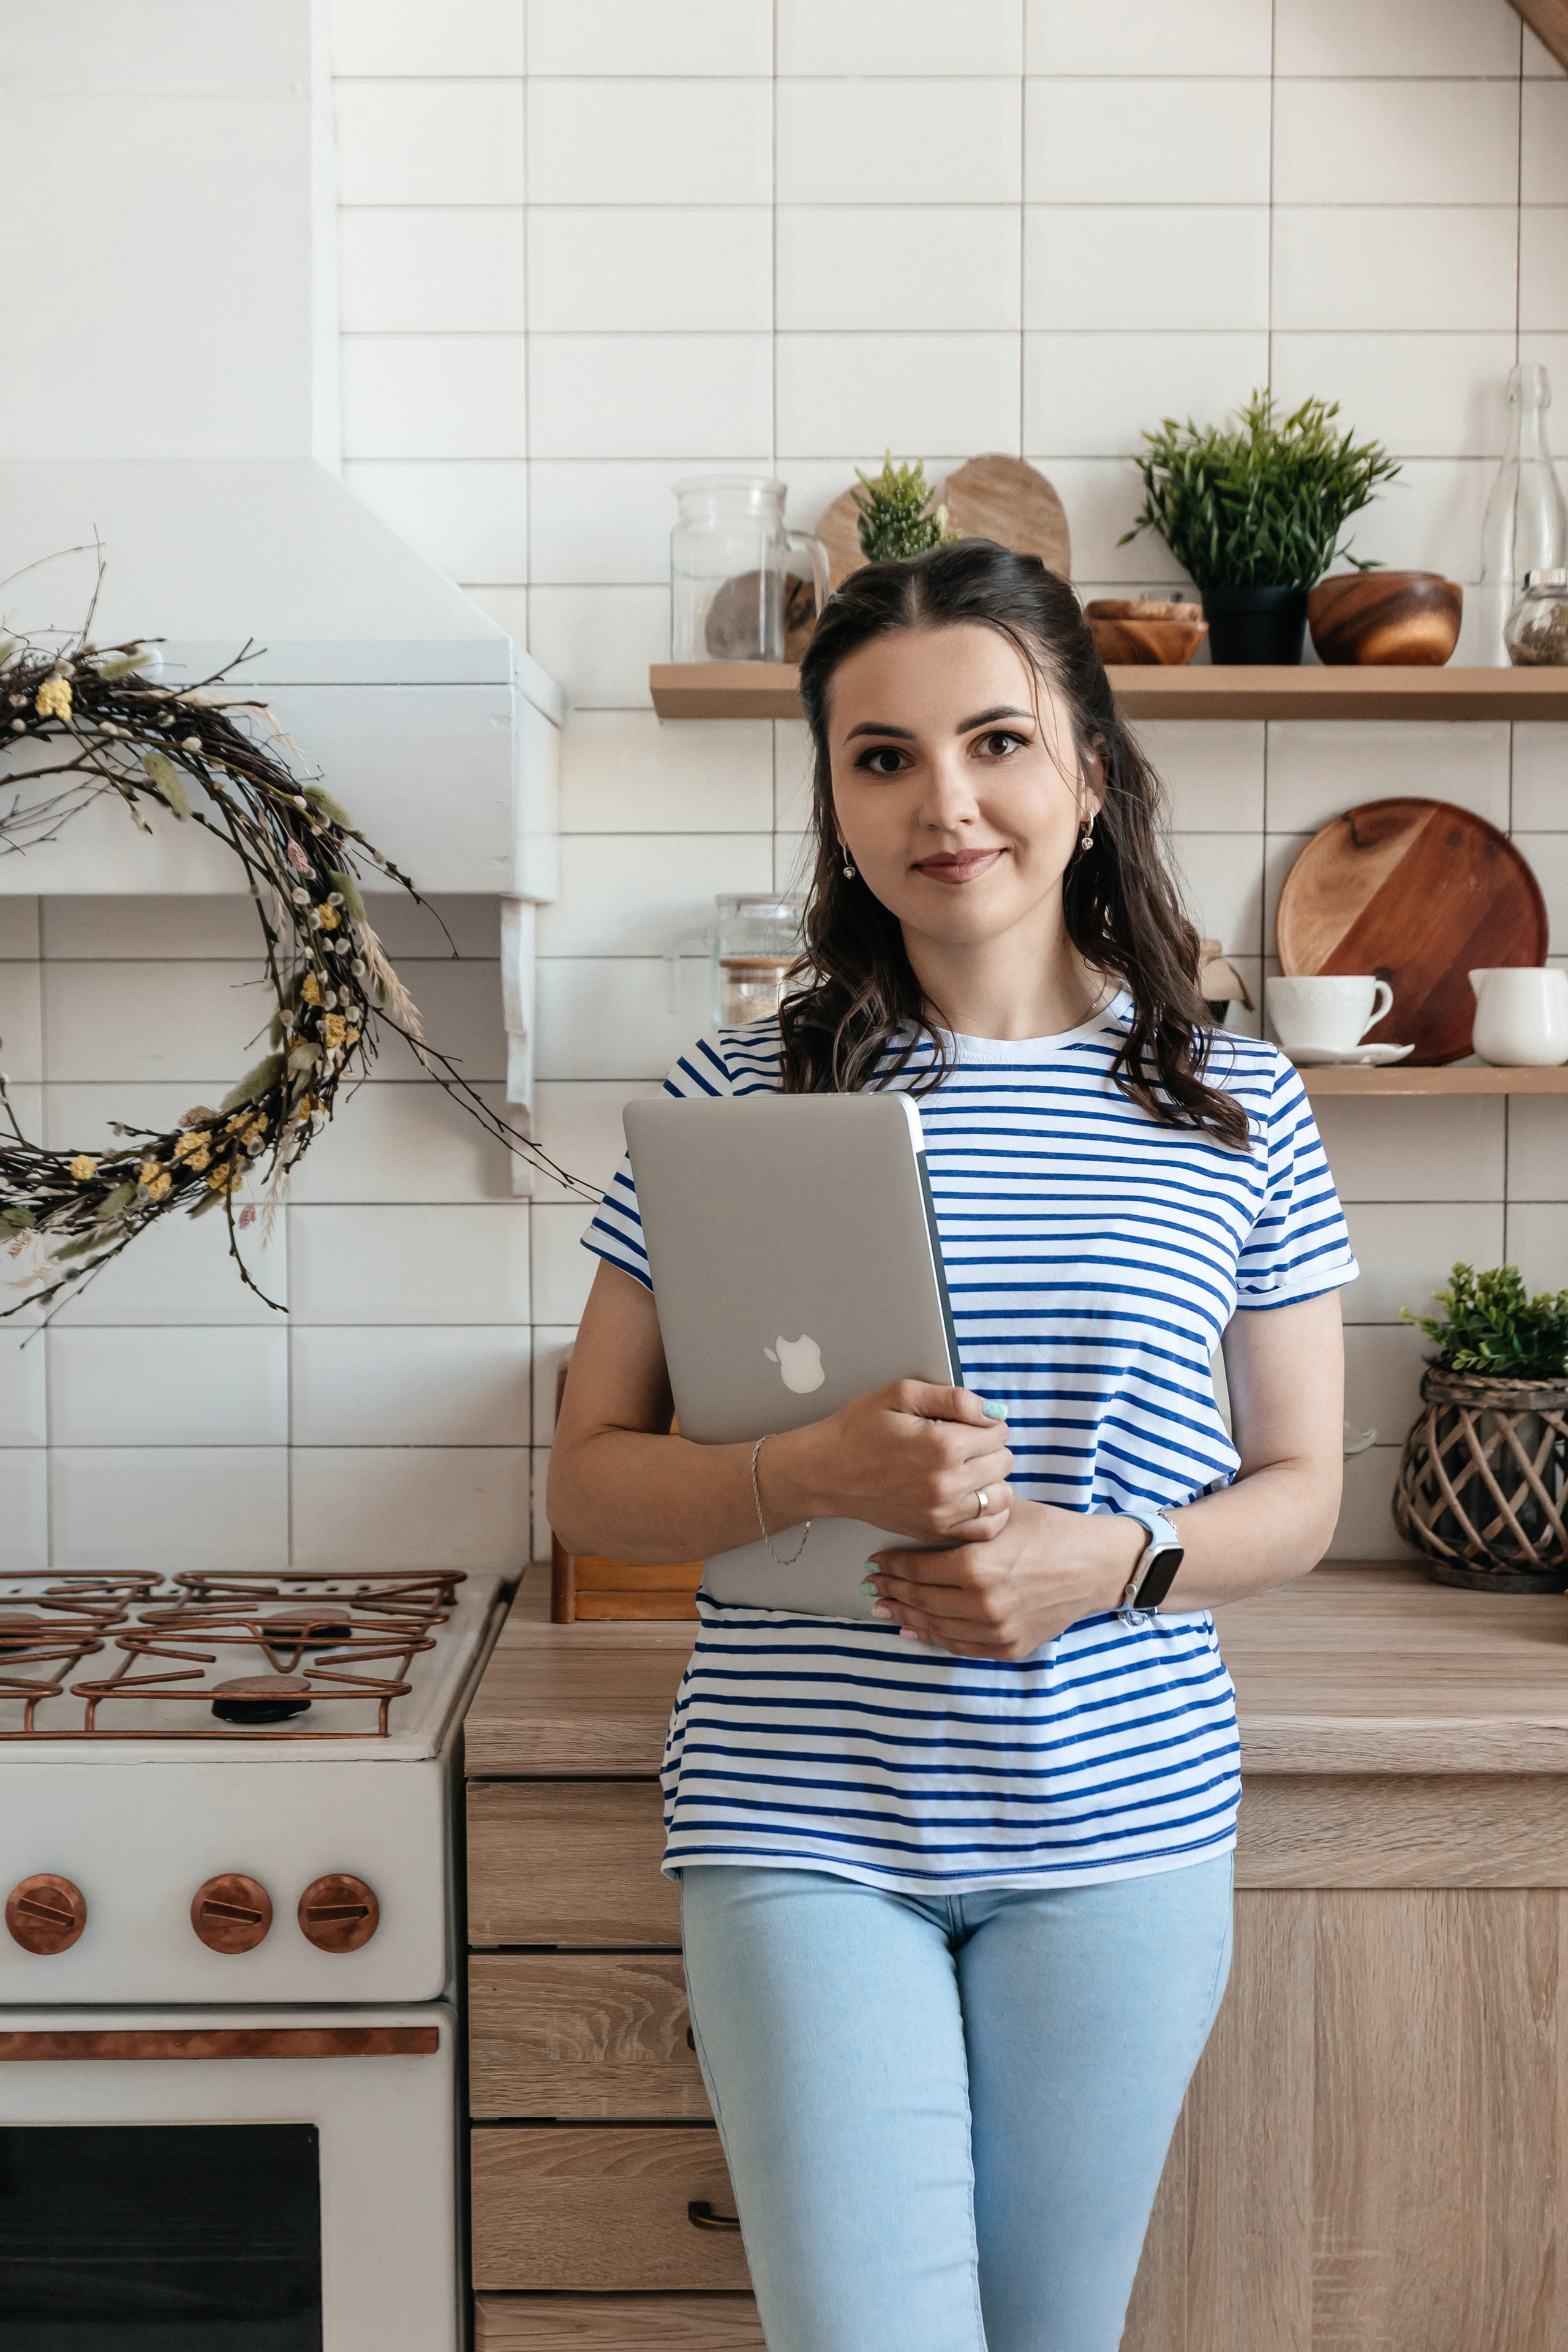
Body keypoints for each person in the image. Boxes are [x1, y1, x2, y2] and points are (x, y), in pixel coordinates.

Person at [548, 540, 1354, 2352]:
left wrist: (1116, 1559)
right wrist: (802, 1475)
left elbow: (1301, 1494)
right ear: (836, 801)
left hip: (1118, 1833)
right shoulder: (736, 1094)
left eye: (996, 741)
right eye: (883, 757)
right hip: (798, 1821)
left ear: (1090, 770)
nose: (947, 803)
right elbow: (589, 1472)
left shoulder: (1237, 1102)